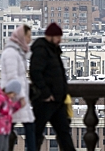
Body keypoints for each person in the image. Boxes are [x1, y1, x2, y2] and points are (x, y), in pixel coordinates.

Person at [30, 23, 75, 151]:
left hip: (57, 100)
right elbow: (35, 72)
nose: (59, 39)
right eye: (57, 36)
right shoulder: (41, 50)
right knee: (38, 133)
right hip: (45, 101)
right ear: (49, 36)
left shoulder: (52, 50)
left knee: (64, 132)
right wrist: (45, 93)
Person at [0, 24, 35, 151]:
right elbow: (12, 77)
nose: (30, 39)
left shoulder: (16, 51)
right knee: (27, 128)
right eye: (28, 36)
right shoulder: (11, 53)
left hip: (16, 97)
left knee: (10, 128)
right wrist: (21, 97)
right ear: (21, 36)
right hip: (14, 98)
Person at [0, 80, 25, 151]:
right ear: (9, 90)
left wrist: (19, 105)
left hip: (5, 129)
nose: (13, 96)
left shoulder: (7, 100)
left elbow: (9, 111)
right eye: (14, 94)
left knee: (4, 148)